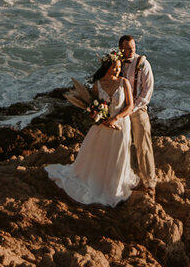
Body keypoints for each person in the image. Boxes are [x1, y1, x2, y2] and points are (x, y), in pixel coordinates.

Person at [46, 54, 138, 206]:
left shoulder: (124, 82)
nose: (117, 70)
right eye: (114, 67)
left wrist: (115, 118)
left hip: (120, 125)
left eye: (119, 67)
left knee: (116, 156)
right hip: (102, 126)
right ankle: (97, 181)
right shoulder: (98, 84)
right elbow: (92, 107)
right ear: (106, 67)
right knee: (99, 155)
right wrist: (102, 120)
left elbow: (130, 106)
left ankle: (114, 186)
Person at [118, 34, 156, 192]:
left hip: (137, 108)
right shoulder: (115, 62)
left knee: (143, 143)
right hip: (119, 108)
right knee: (116, 143)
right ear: (121, 49)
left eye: (133, 47)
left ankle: (149, 182)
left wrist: (131, 109)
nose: (131, 51)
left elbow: (147, 93)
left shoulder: (143, 64)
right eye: (128, 48)